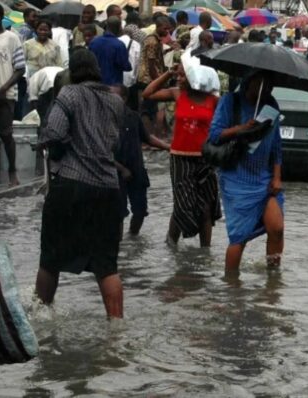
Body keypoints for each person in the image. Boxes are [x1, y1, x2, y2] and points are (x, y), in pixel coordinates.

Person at [35, 49, 126, 318]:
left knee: (50, 259)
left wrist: (45, 143)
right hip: (109, 189)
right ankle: (117, 329)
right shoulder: (116, 101)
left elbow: (53, 132)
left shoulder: (69, 94)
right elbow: (115, 143)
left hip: (71, 186)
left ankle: (41, 319)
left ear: (72, 73)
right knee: (107, 266)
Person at [208, 70, 284, 275]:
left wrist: (277, 177)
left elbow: (276, 143)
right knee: (239, 237)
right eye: (261, 84)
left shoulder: (271, 105)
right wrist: (241, 128)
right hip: (236, 178)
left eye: (269, 85)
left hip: (265, 177)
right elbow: (215, 135)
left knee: (276, 228)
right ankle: (231, 284)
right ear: (248, 82)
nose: (266, 89)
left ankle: (273, 281)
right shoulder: (230, 102)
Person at [142, 63, 221, 247]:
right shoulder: (177, 94)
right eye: (179, 76)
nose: (179, 78)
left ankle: (204, 251)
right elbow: (148, 94)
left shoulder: (213, 100)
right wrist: (168, 73)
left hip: (205, 157)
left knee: (206, 206)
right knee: (181, 204)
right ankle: (171, 243)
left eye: (183, 76)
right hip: (180, 157)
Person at [111, 84, 169, 237]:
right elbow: (102, 152)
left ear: (124, 98)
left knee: (141, 211)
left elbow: (148, 138)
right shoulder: (104, 118)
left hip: (136, 169)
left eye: (114, 96)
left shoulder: (133, 117)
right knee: (119, 213)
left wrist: (168, 147)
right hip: (115, 171)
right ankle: (118, 247)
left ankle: (133, 239)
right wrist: (121, 169)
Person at [0, 5, 25, 187]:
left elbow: (20, 68)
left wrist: (4, 87)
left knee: (6, 135)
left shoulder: (11, 38)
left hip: (5, 94)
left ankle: (12, 172)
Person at [138, 16, 171, 137]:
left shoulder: (156, 40)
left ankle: (153, 135)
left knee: (151, 108)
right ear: (158, 27)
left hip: (150, 78)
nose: (167, 31)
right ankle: (150, 136)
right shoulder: (152, 41)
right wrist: (159, 80)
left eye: (168, 29)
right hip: (148, 79)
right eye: (165, 29)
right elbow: (151, 64)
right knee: (148, 109)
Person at [89, 17, 132, 86]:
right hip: (113, 86)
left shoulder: (94, 42)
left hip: (96, 84)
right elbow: (126, 66)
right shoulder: (119, 45)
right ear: (119, 27)